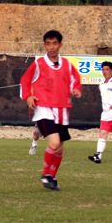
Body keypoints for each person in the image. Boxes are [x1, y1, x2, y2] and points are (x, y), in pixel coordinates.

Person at [20, 30, 82, 191]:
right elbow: (25, 80)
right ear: (44, 45)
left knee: (60, 148)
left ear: (60, 45)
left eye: (55, 43)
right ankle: (46, 174)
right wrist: (28, 96)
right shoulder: (39, 64)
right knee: (54, 143)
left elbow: (76, 80)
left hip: (62, 110)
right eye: (48, 44)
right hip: (44, 109)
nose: (52, 47)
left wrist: (75, 89)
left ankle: (52, 177)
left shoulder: (67, 64)